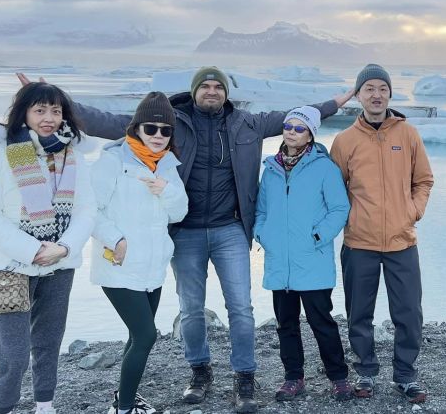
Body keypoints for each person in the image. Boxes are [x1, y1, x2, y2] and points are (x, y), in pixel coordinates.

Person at [18, 67, 353, 413]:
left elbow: (295, 118)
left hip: (231, 230)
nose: (211, 91)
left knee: (241, 307)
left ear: (226, 93)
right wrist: (56, 101)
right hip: (186, 232)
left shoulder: (247, 124)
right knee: (190, 309)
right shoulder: (170, 122)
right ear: (194, 92)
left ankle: (244, 377)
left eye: (217, 87)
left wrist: (335, 102)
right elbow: (105, 121)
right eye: (205, 86)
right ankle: (199, 371)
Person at [0, 82, 95, 414]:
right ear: (23, 113)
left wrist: (64, 248)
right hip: (7, 265)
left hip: (59, 266)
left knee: (48, 344)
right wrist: (33, 249)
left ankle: (45, 407)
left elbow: (86, 211)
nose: (49, 118)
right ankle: (3, 408)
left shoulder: (73, 158)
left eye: (56, 111)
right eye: (40, 110)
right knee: (12, 355)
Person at [329, 64, 434, 404]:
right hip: (360, 243)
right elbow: (334, 191)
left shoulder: (408, 135)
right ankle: (366, 372)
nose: (376, 95)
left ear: (390, 94)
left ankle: (405, 376)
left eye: (382, 89)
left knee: (408, 312)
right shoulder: (344, 142)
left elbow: (424, 181)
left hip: (402, 241)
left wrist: (412, 212)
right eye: (369, 89)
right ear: (358, 95)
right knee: (360, 312)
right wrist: (352, 219)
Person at [90, 92, 188, 414]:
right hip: (119, 264)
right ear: (136, 128)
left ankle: (124, 397)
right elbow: (92, 210)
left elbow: (179, 213)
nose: (158, 136)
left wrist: (167, 191)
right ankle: (126, 408)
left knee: (137, 335)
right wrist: (115, 239)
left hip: (153, 266)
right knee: (146, 336)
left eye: (166, 130)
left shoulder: (168, 165)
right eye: (151, 128)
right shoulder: (113, 160)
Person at [253, 106, 352, 403]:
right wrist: (263, 234)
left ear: (310, 135)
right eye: (288, 126)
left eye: (299, 128)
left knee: (322, 322)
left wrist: (318, 236)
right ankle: (294, 378)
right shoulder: (270, 169)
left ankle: (339, 378)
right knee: (286, 324)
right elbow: (260, 210)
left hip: (312, 260)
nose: (291, 132)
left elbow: (339, 208)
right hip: (279, 263)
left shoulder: (324, 167)